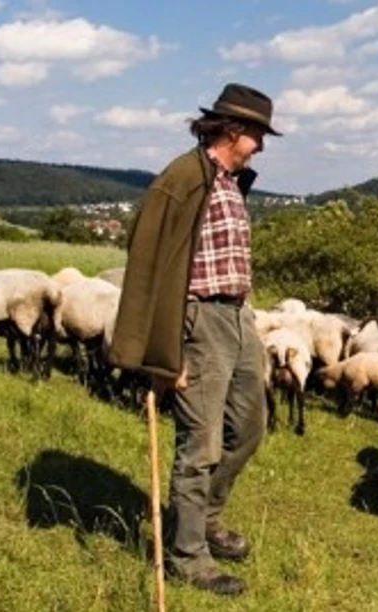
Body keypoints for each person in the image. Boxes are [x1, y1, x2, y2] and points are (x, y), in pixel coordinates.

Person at [109, 83, 281, 597]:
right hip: (198, 321)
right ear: (232, 130)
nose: (261, 146)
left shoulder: (228, 179)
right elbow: (149, 264)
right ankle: (188, 556)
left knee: (250, 427)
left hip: (236, 316)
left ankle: (204, 516)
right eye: (257, 134)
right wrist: (164, 350)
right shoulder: (182, 178)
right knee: (199, 444)